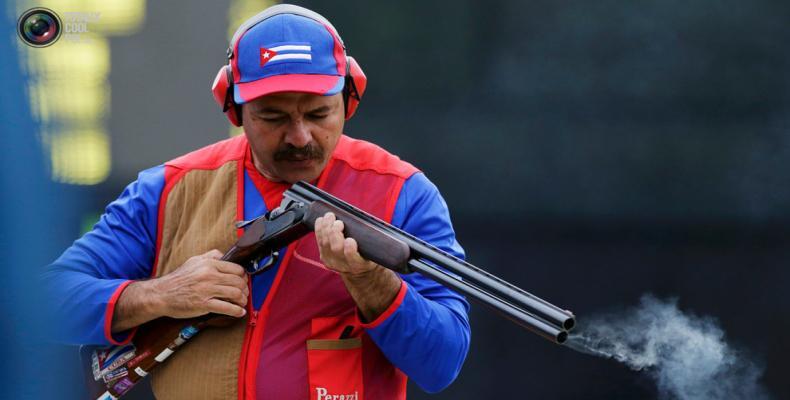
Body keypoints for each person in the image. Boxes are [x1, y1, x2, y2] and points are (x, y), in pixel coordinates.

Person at [44, 4, 470, 399]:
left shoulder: (403, 191)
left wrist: (371, 281)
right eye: (273, 117)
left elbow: (442, 364)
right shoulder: (169, 189)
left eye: (319, 114)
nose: (300, 137)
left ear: (349, 99)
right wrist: (162, 295)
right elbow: (43, 302)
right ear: (234, 108)